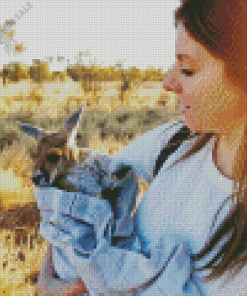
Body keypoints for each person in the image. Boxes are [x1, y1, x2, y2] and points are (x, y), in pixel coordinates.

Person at [37, 0, 247, 294]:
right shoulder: (174, 141)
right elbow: (83, 202)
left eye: (187, 69)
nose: (167, 82)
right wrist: (53, 276)